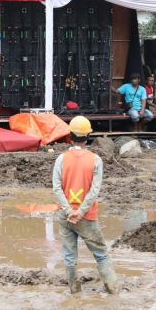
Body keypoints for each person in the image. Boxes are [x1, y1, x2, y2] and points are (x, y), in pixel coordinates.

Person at [52, 116, 117, 294]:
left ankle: (74, 290)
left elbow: (56, 188)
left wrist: (69, 211)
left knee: (69, 256)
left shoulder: (61, 159)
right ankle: (112, 290)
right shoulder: (95, 160)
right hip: (87, 216)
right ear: (87, 137)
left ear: (70, 136)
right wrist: (80, 212)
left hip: (65, 216)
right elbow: (94, 191)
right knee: (101, 254)